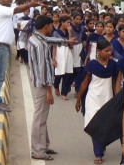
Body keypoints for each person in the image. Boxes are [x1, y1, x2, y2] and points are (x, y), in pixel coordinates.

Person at [28, 15, 74, 161]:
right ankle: (38, 150)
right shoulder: (40, 45)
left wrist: (65, 41)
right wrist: (49, 91)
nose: (51, 29)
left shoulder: (36, 38)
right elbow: (43, 70)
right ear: (46, 26)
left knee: (42, 117)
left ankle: (44, 145)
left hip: (39, 83)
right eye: (50, 26)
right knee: (40, 118)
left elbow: (50, 40)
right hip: (42, 85)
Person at [0, 0, 39, 112]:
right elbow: (17, 9)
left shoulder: (2, 9)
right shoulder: (0, 8)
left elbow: (15, 8)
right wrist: (30, 5)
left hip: (1, 47)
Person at [75, 38, 118, 164]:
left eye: (110, 51)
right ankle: (98, 153)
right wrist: (78, 100)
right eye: (106, 51)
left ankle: (101, 145)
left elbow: (115, 83)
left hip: (107, 98)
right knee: (94, 125)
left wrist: (116, 99)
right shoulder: (92, 65)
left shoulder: (113, 65)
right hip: (93, 98)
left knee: (105, 126)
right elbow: (84, 83)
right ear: (98, 51)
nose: (109, 53)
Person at [52, 15, 74, 100]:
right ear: (62, 23)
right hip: (59, 53)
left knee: (68, 73)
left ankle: (64, 93)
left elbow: (71, 45)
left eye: (69, 22)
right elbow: (54, 46)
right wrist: (54, 59)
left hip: (68, 52)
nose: (69, 24)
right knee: (59, 73)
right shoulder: (56, 33)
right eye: (67, 22)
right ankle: (56, 85)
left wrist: (70, 33)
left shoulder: (69, 32)